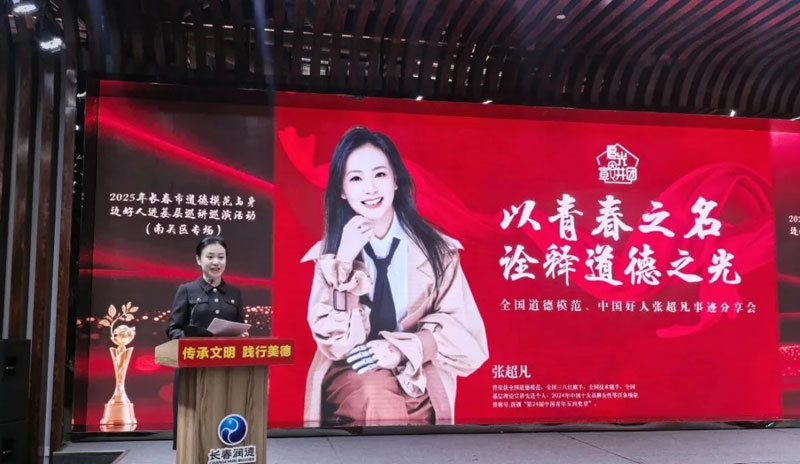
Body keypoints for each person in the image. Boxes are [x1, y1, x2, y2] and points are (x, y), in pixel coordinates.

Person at [301, 126, 489, 427]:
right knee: (376, 395)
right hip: (353, 372)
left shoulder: (439, 251)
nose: (370, 189)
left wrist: (402, 349)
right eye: (356, 178)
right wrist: (344, 262)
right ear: (342, 190)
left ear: (395, 180)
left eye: (379, 174)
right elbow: (335, 343)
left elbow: (467, 335)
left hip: (418, 372)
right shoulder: (330, 256)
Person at [166, 236, 244, 448]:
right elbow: (173, 329)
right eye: (210, 257)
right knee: (193, 430)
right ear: (199, 260)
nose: (216, 262)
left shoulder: (235, 293)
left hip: (226, 370)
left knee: (224, 421)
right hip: (193, 369)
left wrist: (241, 337)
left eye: (221, 257)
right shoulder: (187, 291)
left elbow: (240, 328)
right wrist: (192, 342)